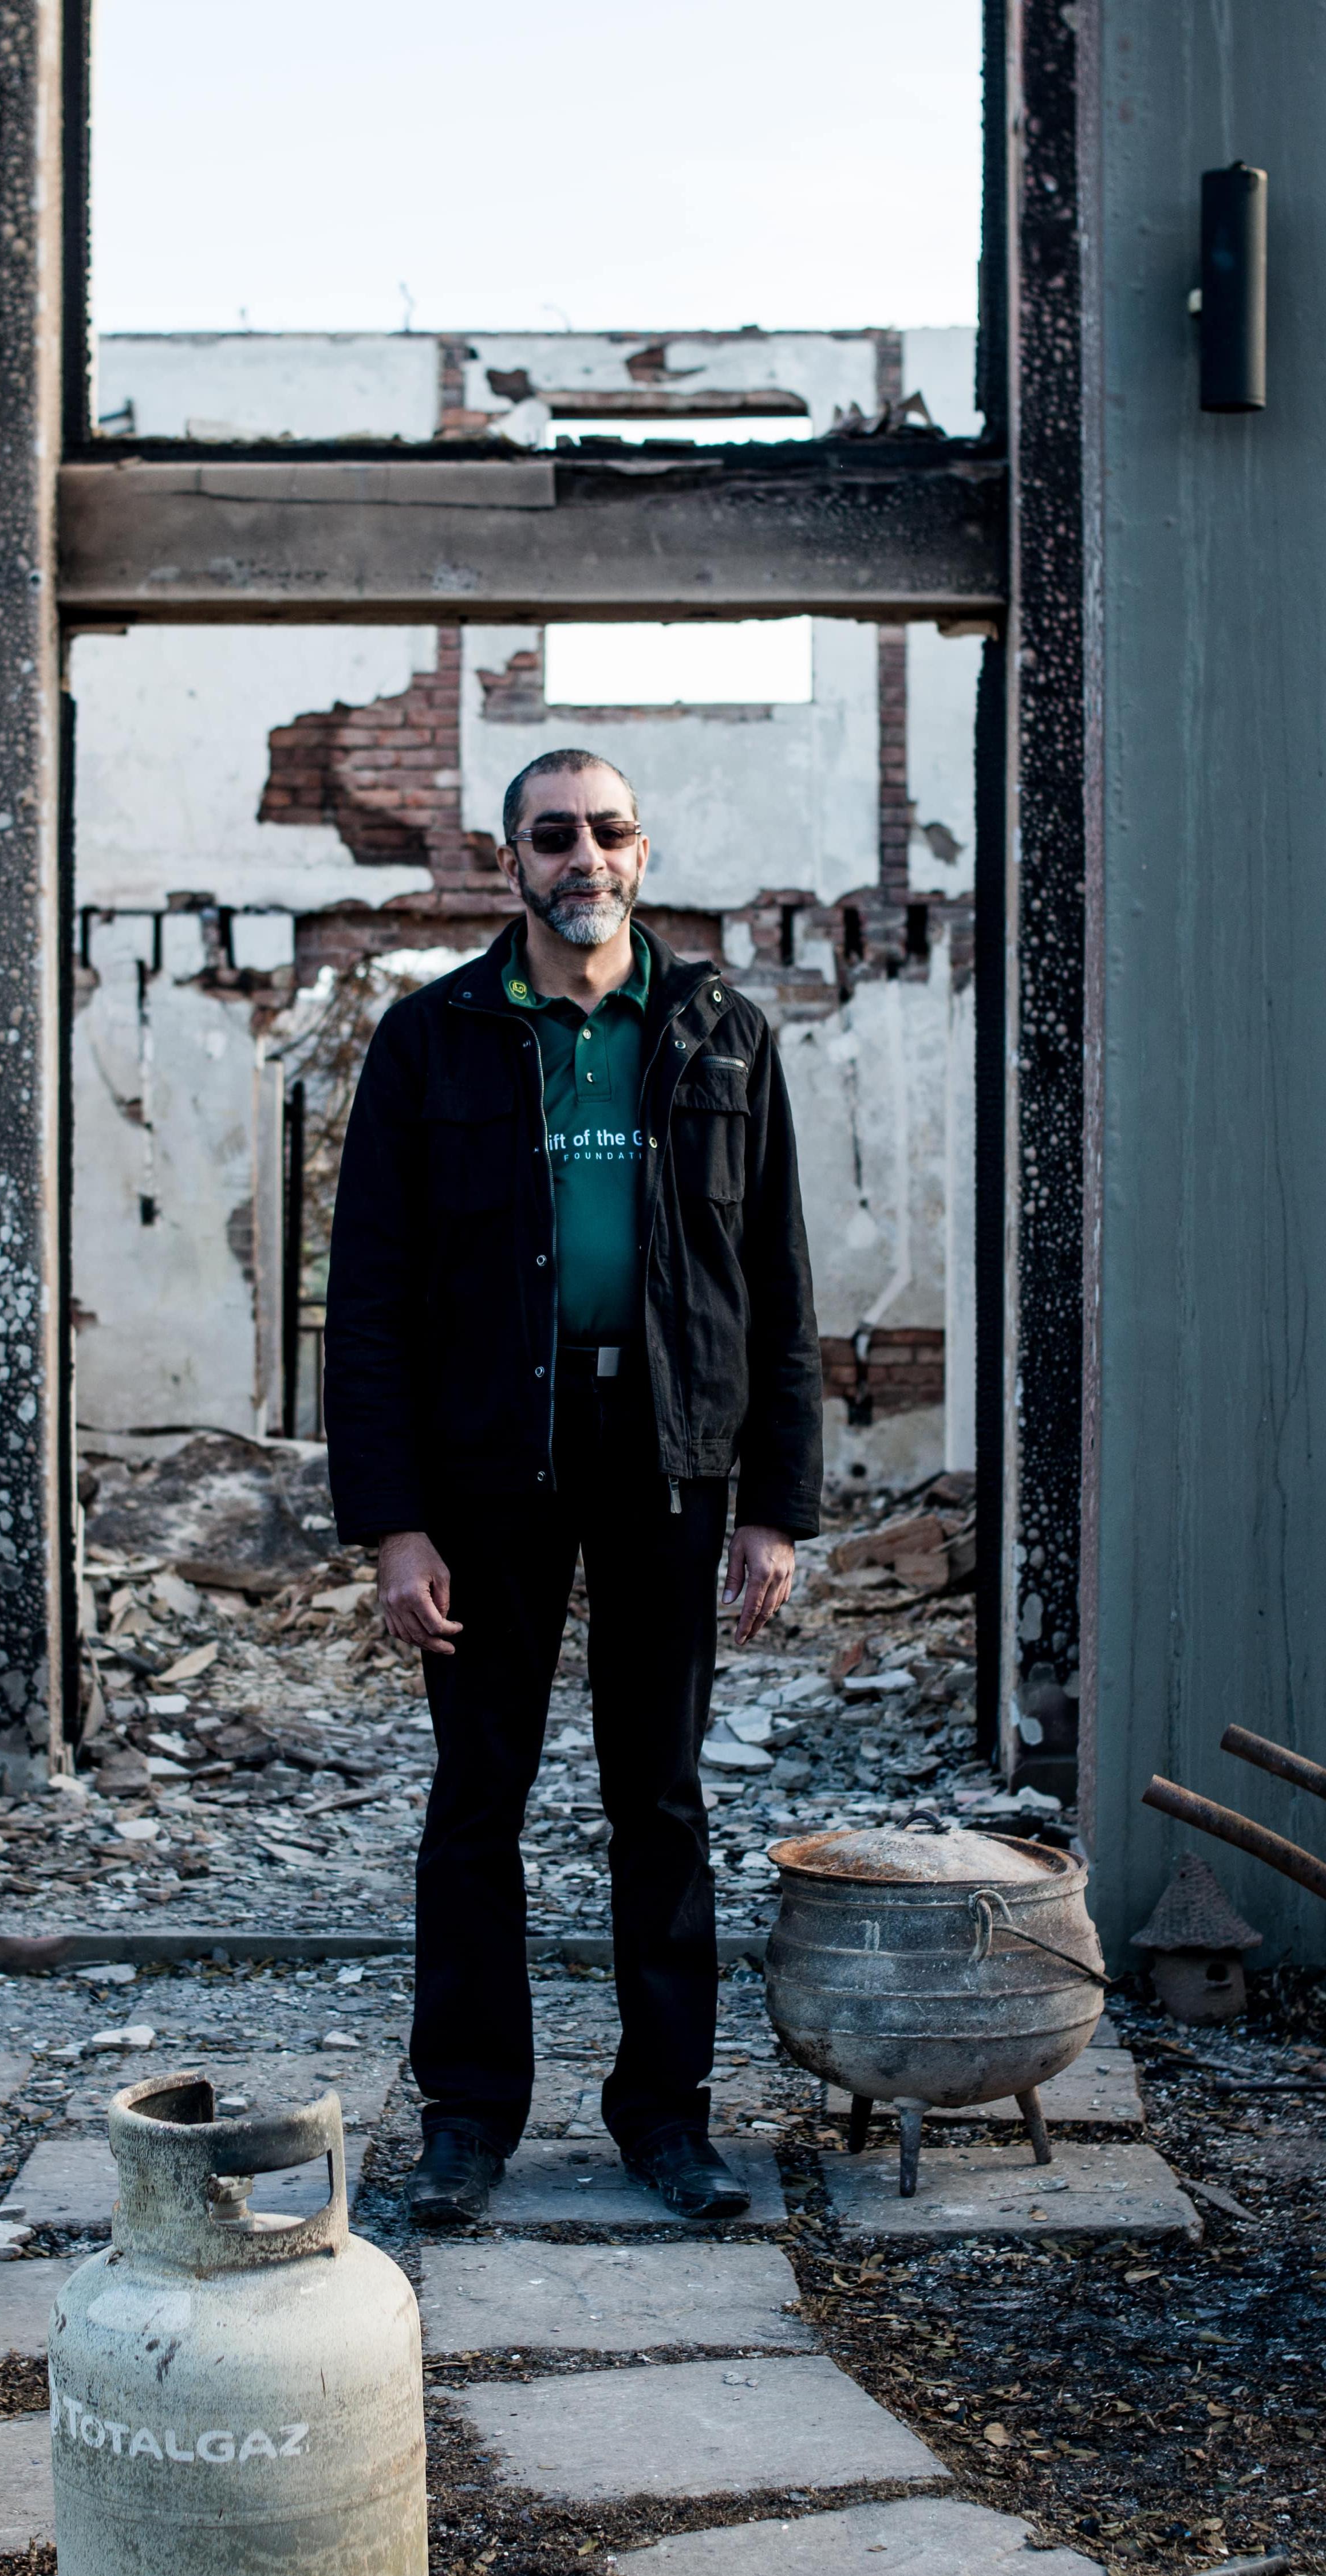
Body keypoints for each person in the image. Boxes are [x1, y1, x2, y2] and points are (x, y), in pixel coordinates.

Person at [325, 748, 823, 2224]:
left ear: (643, 854)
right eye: (556, 837)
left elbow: (781, 1286)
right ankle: (471, 2120)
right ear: (512, 862)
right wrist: (395, 1522)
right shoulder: (434, 1041)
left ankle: (668, 2120)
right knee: (479, 1797)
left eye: (608, 832)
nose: (584, 858)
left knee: (658, 1800)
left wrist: (777, 1504)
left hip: (668, 1457)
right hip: (492, 1463)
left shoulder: (721, 1034)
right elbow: (371, 1300)